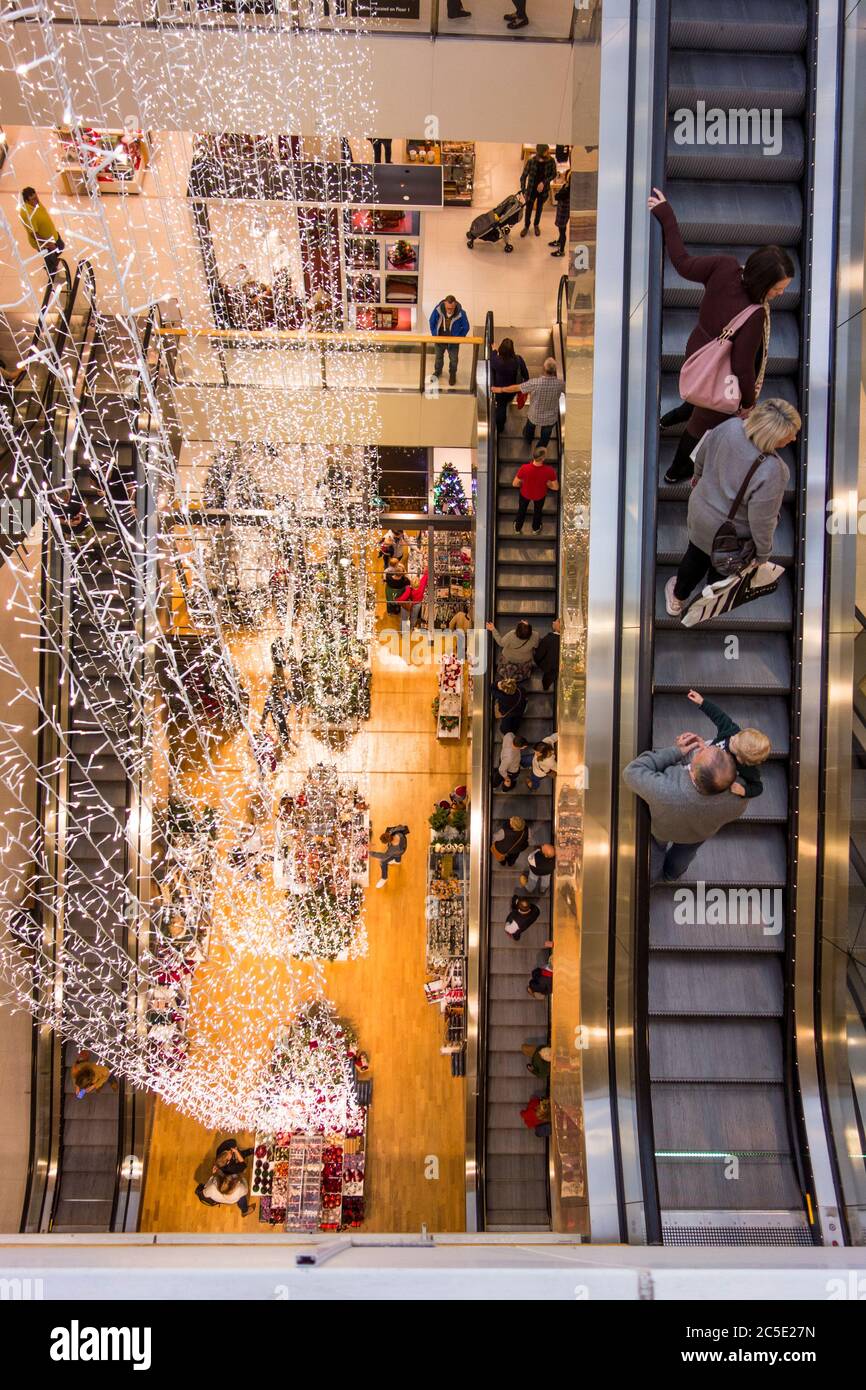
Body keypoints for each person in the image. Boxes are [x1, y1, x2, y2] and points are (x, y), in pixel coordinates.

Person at [648, 187, 795, 483]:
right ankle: (676, 470)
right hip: (722, 371)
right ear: (763, 281)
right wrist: (748, 402)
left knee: (698, 391)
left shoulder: (724, 266)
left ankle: (672, 416)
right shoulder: (754, 314)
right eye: (777, 289)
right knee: (702, 422)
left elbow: (682, 262)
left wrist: (665, 214)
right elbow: (742, 366)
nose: (780, 294)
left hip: (698, 352)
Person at [664, 399, 800, 615]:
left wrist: (698, 477)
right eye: (790, 434)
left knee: (695, 556)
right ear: (773, 436)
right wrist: (762, 556)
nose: (793, 438)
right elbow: (762, 521)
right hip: (730, 535)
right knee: (723, 570)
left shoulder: (730, 426)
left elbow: (701, 454)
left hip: (700, 512)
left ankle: (677, 599)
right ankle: (707, 602)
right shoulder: (774, 471)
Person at [622, 734, 748, 882]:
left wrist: (676, 752)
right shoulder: (739, 800)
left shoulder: (665, 789)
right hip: (697, 834)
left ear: (692, 773)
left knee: (656, 848)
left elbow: (631, 772)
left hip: (663, 831)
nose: (703, 747)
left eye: (701, 752)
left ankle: (652, 878)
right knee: (685, 854)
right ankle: (671, 875)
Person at [687, 690, 770, 799]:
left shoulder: (748, 770)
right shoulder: (733, 732)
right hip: (708, 750)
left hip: (712, 772)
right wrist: (702, 702)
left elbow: (758, 787)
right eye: (738, 735)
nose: (732, 737)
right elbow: (719, 716)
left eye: (734, 742)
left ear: (740, 759)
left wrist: (744, 791)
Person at [494, 358, 564, 450]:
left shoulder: (535, 383)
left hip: (534, 415)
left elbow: (517, 388)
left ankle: (528, 440)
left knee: (529, 429)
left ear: (543, 368)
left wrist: (501, 389)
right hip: (550, 418)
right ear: (555, 371)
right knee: (546, 435)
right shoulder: (560, 384)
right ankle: (540, 449)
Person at [18, 187, 65, 279]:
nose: (37, 200)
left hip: (52, 235)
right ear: (27, 201)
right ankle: (52, 274)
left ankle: (50, 262)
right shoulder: (27, 213)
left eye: (36, 196)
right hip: (44, 243)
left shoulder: (36, 204)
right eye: (33, 199)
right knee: (51, 259)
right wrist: (48, 244)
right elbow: (33, 234)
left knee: (61, 247)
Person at [511, 446, 559, 534]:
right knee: (538, 511)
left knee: (522, 510)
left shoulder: (524, 468)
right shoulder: (549, 471)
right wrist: (549, 485)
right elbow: (556, 487)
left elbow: (514, 484)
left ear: (533, 456)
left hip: (525, 493)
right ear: (543, 459)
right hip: (540, 495)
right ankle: (535, 528)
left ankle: (517, 528)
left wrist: (522, 483)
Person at [429, 295, 470, 388]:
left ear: (455, 305)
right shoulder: (438, 310)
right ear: (444, 303)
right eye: (448, 308)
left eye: (451, 308)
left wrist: (459, 338)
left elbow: (466, 327)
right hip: (440, 339)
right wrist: (435, 335)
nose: (450, 310)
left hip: (453, 341)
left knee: (454, 360)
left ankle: (452, 374)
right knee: (438, 357)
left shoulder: (461, 313)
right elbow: (432, 321)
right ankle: (438, 371)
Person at [490, 338, 529, 435]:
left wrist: (494, 350)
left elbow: (492, 357)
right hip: (513, 390)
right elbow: (526, 375)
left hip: (499, 390)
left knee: (501, 407)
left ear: (501, 349)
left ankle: (500, 428)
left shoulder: (497, 361)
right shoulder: (518, 360)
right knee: (505, 403)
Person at [520, 143, 557, 237]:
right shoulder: (531, 161)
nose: (548, 153)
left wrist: (544, 182)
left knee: (539, 208)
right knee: (528, 209)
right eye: (546, 152)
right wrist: (523, 190)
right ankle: (526, 226)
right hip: (531, 189)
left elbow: (554, 174)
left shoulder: (551, 161)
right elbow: (523, 176)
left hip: (543, 190)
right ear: (541, 152)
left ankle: (536, 225)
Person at [262, 670, 294, 748]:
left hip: (282, 714)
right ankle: (284, 741)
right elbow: (267, 705)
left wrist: (284, 701)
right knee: (280, 727)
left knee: (282, 727)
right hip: (277, 715)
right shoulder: (272, 695)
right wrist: (264, 717)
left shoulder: (287, 693)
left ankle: (285, 742)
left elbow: (289, 704)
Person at [534, 618, 560, 691]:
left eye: (556, 622)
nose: (553, 622)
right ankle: (546, 686)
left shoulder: (548, 639)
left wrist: (536, 660)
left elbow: (539, 655)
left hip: (548, 666)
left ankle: (545, 686)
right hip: (556, 666)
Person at [550, 171, 570, 257]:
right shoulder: (568, 186)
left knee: (562, 231)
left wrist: (557, 193)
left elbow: (557, 197)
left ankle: (561, 251)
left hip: (563, 211)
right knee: (562, 229)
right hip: (563, 210)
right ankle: (559, 241)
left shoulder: (567, 190)